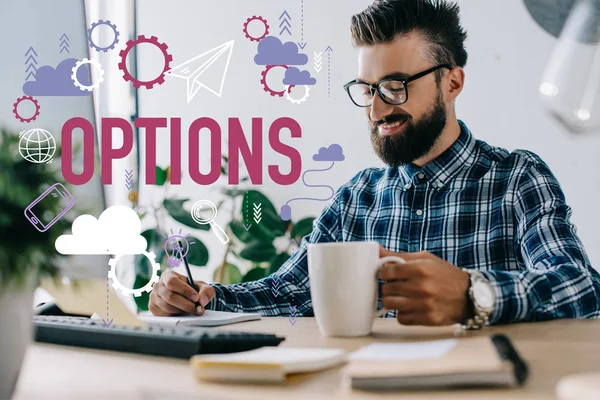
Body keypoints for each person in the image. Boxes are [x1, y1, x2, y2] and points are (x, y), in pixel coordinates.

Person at [149, 0, 600, 327]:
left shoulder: (517, 178)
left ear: (453, 82)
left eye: (396, 86)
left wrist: (472, 294)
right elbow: (290, 290)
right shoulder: (357, 197)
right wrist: (204, 298)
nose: (378, 109)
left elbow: (580, 286)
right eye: (368, 89)